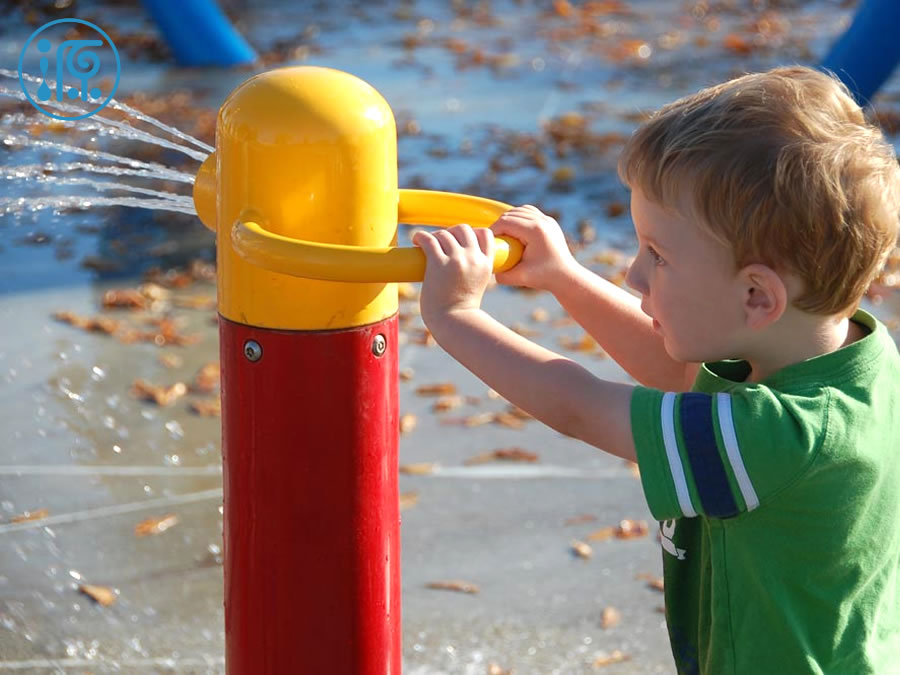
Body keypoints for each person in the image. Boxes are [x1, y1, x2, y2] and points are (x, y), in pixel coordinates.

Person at [411, 65, 900, 674]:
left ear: (756, 297)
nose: (633, 276)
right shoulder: (846, 359)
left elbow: (579, 407)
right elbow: (682, 377)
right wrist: (564, 277)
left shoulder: (783, 436)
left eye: (658, 256)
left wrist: (456, 317)